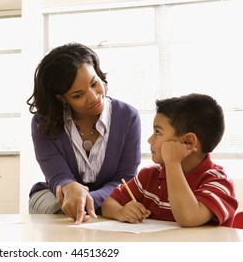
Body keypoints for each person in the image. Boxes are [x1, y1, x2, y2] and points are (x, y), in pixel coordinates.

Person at [26, 42, 141, 224]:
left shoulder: (128, 116)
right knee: (63, 212)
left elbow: (125, 178)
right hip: (56, 197)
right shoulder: (43, 123)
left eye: (94, 83)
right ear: (61, 98)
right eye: (78, 95)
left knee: (116, 208)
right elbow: (58, 177)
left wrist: (89, 200)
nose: (93, 97)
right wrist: (70, 188)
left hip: (111, 196)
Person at [101, 93, 238, 227]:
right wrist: (121, 212)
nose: (150, 140)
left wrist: (173, 162)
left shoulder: (219, 182)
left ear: (188, 142)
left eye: (158, 132)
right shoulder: (149, 176)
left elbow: (188, 218)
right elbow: (108, 204)